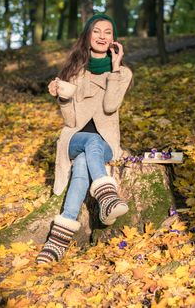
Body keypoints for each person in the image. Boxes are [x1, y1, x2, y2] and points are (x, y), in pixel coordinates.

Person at [36, 14, 133, 264]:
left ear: (114, 38)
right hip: (75, 139)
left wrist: (114, 68)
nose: (102, 36)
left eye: (107, 32)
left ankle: (57, 240)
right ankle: (107, 197)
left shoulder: (123, 73)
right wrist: (63, 97)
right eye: (96, 31)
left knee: (84, 160)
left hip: (106, 146)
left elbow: (111, 106)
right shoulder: (74, 72)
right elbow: (70, 121)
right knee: (88, 142)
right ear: (88, 36)